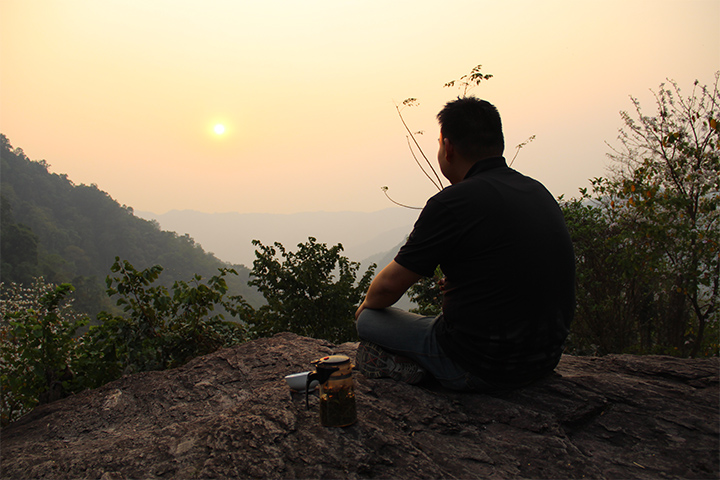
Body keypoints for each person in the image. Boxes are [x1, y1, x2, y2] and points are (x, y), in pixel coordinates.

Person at [354, 96, 575, 392]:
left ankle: (421, 369)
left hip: (477, 366)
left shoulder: (452, 203)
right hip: (542, 362)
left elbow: (388, 287)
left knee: (369, 320)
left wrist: (365, 307)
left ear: (448, 147)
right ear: (499, 143)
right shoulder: (536, 191)